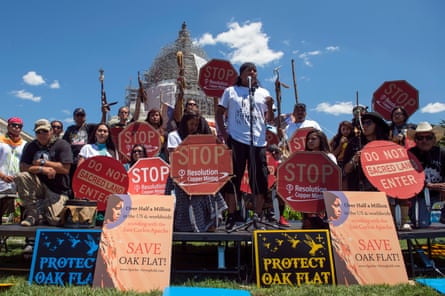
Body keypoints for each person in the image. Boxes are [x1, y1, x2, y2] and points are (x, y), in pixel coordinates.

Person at [215, 62, 275, 230]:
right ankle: (232, 214)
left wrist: (270, 106)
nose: (253, 73)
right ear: (241, 74)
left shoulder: (263, 93)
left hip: (258, 141)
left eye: (255, 70)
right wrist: (225, 134)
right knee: (234, 179)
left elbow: (269, 120)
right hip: (237, 140)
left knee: (260, 180)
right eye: (249, 70)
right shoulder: (230, 91)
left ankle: (258, 215)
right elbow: (219, 112)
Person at [167, 110, 226, 232]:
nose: (194, 127)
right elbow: (173, 157)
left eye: (196, 124)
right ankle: (184, 226)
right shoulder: (174, 136)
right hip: (181, 175)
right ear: (185, 123)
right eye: (191, 124)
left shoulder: (199, 137)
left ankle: (209, 222)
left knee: (210, 192)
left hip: (198, 174)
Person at [15, 119, 73, 227]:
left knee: (55, 220)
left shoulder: (62, 144)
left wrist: (43, 162)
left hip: (57, 189)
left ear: (51, 131)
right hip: (38, 185)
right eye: (38, 132)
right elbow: (23, 167)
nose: (42, 135)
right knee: (21, 176)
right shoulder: (30, 146)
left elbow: (65, 169)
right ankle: (32, 213)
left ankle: (43, 214)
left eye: (45, 131)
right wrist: (41, 169)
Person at [406, 122, 445, 228]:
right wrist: (429, 186)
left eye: (428, 137)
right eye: (420, 138)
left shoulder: (441, 153)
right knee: (422, 226)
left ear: (434, 139)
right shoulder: (409, 155)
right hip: (419, 196)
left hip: (440, 195)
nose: (424, 141)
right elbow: (407, 179)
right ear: (415, 140)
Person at [343, 112, 390, 191]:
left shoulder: (387, 145)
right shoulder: (354, 143)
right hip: (360, 190)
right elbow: (345, 170)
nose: (364, 126)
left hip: (383, 190)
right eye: (363, 123)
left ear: (377, 125)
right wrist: (355, 159)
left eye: (368, 123)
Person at [303, 129, 337, 229]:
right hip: (308, 195)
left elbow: (334, 176)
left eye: (313, 139)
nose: (310, 141)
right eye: (308, 139)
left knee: (324, 226)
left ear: (321, 140)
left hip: (324, 197)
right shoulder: (303, 157)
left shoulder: (329, 156)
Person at [0, 117, 26, 223]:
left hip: (17, 183)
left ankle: (27, 238)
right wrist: (2, 176)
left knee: (23, 210)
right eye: (14, 125)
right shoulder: (1, 141)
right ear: (8, 126)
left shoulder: (24, 144)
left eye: (19, 126)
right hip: (1, 181)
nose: (16, 127)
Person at [63, 108, 97, 184]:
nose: (80, 117)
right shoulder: (70, 129)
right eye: (77, 115)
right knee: (72, 183)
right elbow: (65, 144)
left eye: (82, 115)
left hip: (86, 162)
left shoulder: (90, 127)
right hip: (72, 161)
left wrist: (104, 113)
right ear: (74, 117)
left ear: (85, 117)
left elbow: (102, 125)